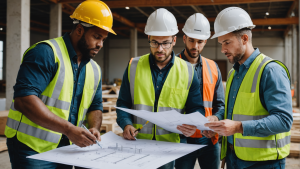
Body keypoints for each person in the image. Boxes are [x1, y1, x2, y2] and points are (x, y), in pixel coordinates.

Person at [5, 0, 116, 168]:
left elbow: (95, 105)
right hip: (31, 147)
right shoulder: (46, 53)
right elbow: (24, 99)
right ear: (79, 29)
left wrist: (94, 128)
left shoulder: (95, 70)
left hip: (68, 148)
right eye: (96, 37)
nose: (100, 44)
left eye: (103, 39)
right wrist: (69, 129)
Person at [116, 8, 206, 169]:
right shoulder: (133, 66)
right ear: (149, 38)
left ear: (174, 40)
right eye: (155, 43)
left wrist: (192, 126)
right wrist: (126, 124)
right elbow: (123, 103)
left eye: (165, 43)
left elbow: (196, 109)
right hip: (138, 145)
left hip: (171, 149)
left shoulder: (187, 70)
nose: (159, 49)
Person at [205, 7, 293, 169]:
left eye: (227, 42)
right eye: (221, 43)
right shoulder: (233, 73)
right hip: (233, 157)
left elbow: (283, 120)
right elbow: (232, 111)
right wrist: (217, 121)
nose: (223, 49)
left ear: (244, 38)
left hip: (264, 163)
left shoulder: (270, 70)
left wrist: (239, 127)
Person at [174, 13, 225, 169]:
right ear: (184, 38)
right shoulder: (171, 67)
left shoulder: (213, 67)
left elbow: (220, 105)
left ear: (205, 42)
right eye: (191, 40)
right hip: (181, 138)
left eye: (200, 41)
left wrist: (215, 119)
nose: (195, 46)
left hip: (208, 139)